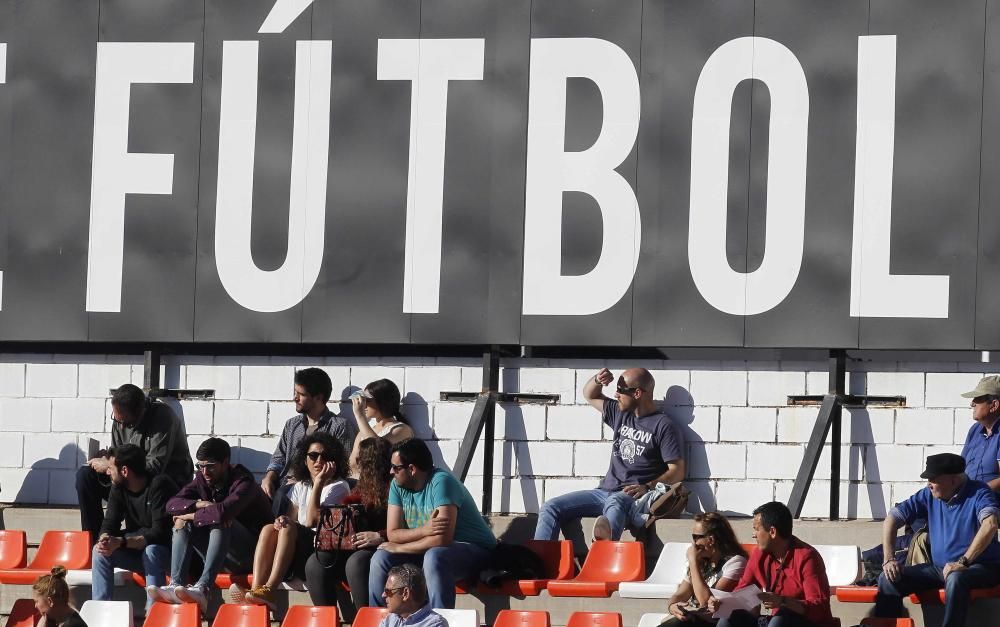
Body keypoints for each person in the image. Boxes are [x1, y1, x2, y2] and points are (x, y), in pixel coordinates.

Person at [534, 367, 685, 542]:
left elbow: (677, 470)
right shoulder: (620, 413)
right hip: (603, 491)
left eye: (621, 390)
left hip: (632, 495)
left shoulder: (664, 426)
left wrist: (648, 486)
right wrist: (598, 380)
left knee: (615, 504)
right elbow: (590, 394)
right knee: (550, 507)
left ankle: (602, 560)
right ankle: (537, 564)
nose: (616, 394)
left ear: (637, 393)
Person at [873, 453, 1000, 627]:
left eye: (933, 479)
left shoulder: (979, 492)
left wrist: (963, 561)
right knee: (887, 578)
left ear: (954, 481)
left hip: (979, 567)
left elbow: (990, 524)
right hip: (940, 568)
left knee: (956, 578)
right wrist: (889, 559)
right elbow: (892, 519)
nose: (929, 484)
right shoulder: (928, 495)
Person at [368, 438, 496, 610]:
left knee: (435, 557)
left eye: (396, 467)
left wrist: (399, 548)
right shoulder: (397, 486)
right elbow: (393, 533)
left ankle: (438, 620)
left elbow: (441, 540)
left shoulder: (442, 482)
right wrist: (424, 530)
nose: (391, 471)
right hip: (429, 548)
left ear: (412, 469)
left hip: (475, 549)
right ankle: (379, 619)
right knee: (381, 558)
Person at [230, 432, 351, 611]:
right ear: (305, 459)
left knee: (286, 528)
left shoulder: (339, 487)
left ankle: (270, 589)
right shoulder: (300, 485)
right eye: (313, 456)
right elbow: (291, 517)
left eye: (325, 456)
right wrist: (280, 520)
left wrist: (319, 483)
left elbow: (311, 520)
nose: (319, 460)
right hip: (293, 549)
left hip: (318, 553)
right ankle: (257, 589)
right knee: (269, 528)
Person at [150, 437, 272, 613]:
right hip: (218, 555)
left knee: (220, 520)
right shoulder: (202, 479)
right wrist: (199, 504)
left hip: (251, 557)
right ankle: (175, 583)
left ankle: (203, 589)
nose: (204, 471)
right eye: (200, 466)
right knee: (184, 523)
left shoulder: (244, 482)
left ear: (225, 463)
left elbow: (222, 512)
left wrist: (191, 514)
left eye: (210, 466)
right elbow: (170, 505)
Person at [76, 384, 192, 543]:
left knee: (145, 481)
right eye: (117, 420)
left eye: (127, 423)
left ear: (142, 411)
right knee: (86, 475)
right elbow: (118, 456)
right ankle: (95, 541)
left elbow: (155, 467)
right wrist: (107, 459)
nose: (121, 426)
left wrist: (110, 466)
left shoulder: (163, 417)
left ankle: (119, 542)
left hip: (161, 484)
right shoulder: (119, 420)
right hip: (128, 477)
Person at [707, 501, 835, 627]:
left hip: (804, 622)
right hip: (775, 621)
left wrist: (783, 601)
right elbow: (742, 593)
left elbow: (819, 608)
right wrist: (722, 602)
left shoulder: (807, 557)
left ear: (772, 532)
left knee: (783, 615)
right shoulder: (759, 554)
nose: (753, 535)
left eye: (756, 529)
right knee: (730, 617)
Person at [306, 437, 393, 621]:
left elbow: (405, 524)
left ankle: (364, 622)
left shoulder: (395, 486)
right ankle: (327, 622)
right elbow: (318, 518)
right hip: (355, 546)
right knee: (316, 563)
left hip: (383, 547)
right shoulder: (361, 488)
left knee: (357, 562)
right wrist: (328, 534)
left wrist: (380, 535)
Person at [90, 444, 176, 613]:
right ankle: (100, 614)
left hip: (168, 555)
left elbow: (159, 533)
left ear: (124, 471)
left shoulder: (159, 485)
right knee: (99, 552)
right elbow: (109, 523)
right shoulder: (119, 487)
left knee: (152, 550)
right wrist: (105, 539)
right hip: (139, 550)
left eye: (111, 468)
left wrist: (122, 542)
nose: (108, 473)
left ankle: (154, 616)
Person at [261, 368, 358, 503]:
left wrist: (305, 479)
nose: (295, 398)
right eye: (295, 392)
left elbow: (343, 467)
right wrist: (269, 477)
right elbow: (279, 457)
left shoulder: (339, 426)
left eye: (301, 394)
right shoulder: (292, 424)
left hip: (317, 488)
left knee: (282, 496)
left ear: (319, 398)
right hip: (284, 484)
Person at [662, 513, 748, 626]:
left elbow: (706, 602)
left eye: (695, 537)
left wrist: (693, 562)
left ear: (711, 540)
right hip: (694, 619)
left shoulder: (736, 562)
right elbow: (680, 595)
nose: (693, 543)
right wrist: (672, 606)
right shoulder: (702, 561)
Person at [349, 379, 414, 471]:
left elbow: (377, 452)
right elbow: (352, 463)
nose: (364, 404)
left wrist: (360, 416)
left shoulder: (401, 429)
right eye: (364, 400)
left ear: (382, 402)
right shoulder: (363, 431)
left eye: (368, 400)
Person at [960, 375, 1000, 490]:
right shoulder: (975, 430)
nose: (972, 404)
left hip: (991, 502)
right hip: (969, 500)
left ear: (994, 405)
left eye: (977, 399)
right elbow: (961, 467)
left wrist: (976, 493)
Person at [378, 564, 447, 627]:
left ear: (405, 593)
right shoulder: (390, 620)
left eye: (388, 591)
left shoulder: (436, 624)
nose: (383, 595)